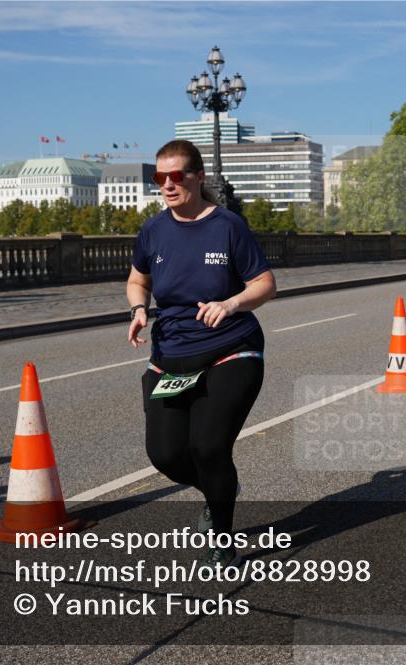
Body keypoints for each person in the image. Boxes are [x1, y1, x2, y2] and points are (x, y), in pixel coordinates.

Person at [126, 139, 276, 569]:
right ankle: (218, 489)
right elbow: (138, 280)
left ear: (198, 177)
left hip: (231, 350)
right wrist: (139, 309)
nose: (168, 185)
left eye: (177, 176)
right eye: (160, 178)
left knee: (209, 446)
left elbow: (265, 284)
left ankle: (223, 536)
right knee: (166, 455)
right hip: (171, 355)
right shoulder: (153, 230)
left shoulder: (227, 226)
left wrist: (229, 304)